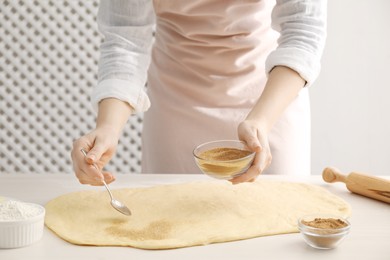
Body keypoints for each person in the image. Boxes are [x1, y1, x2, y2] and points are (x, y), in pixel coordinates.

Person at [71, 0, 327, 186]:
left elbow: (303, 31)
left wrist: (261, 120)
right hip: (176, 107)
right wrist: (108, 127)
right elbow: (125, 40)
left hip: (269, 103)